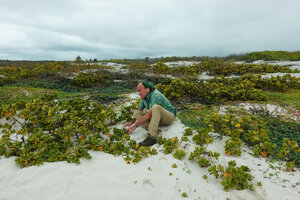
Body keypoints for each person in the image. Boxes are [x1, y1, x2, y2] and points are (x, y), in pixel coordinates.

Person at [124, 80, 176, 146]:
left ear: (147, 89)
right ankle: (154, 129)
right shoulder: (143, 97)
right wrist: (132, 122)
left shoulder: (155, 95)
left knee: (155, 107)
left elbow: (149, 115)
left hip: (169, 117)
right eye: (138, 91)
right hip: (157, 118)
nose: (139, 93)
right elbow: (140, 110)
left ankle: (152, 137)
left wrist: (135, 126)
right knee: (137, 113)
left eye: (140, 90)